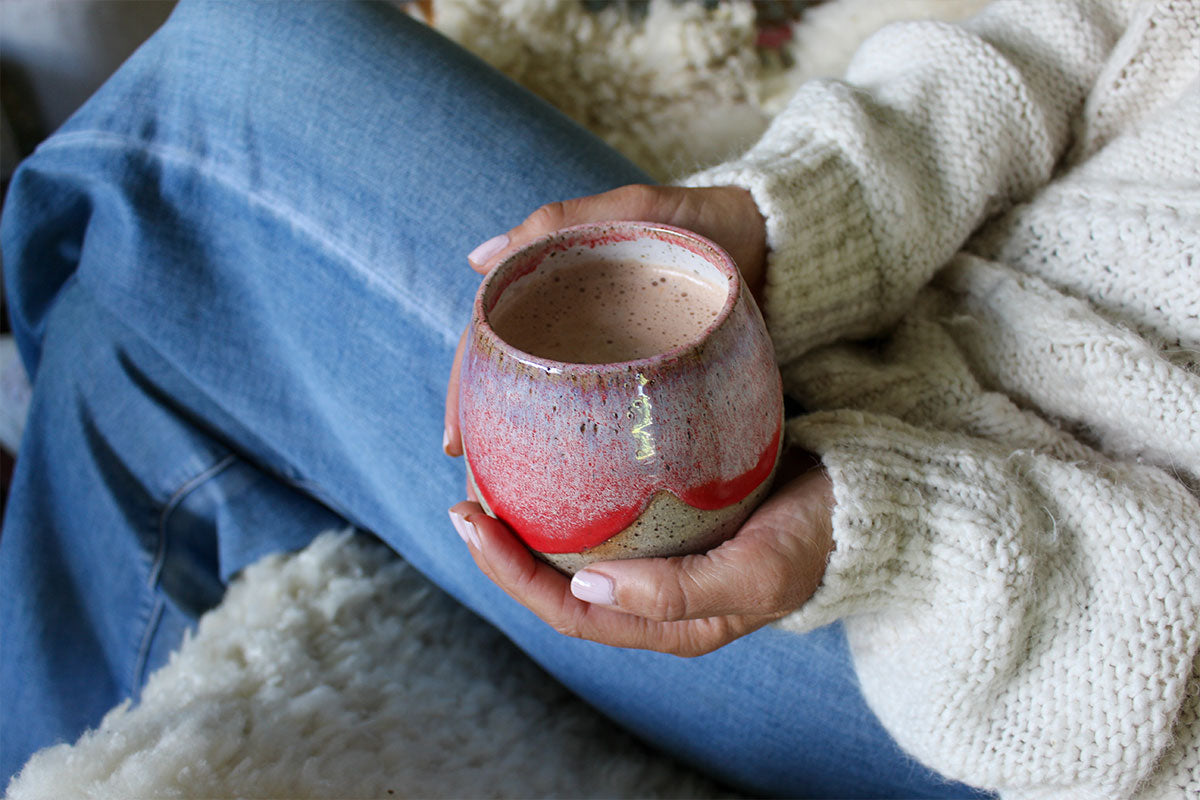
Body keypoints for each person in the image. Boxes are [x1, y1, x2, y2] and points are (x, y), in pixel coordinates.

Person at [0, 0, 1196, 796]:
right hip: (872, 328)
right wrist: (794, 217)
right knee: (126, 322)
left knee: (213, 97)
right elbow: (1089, 32)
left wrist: (909, 538)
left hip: (1029, 651)